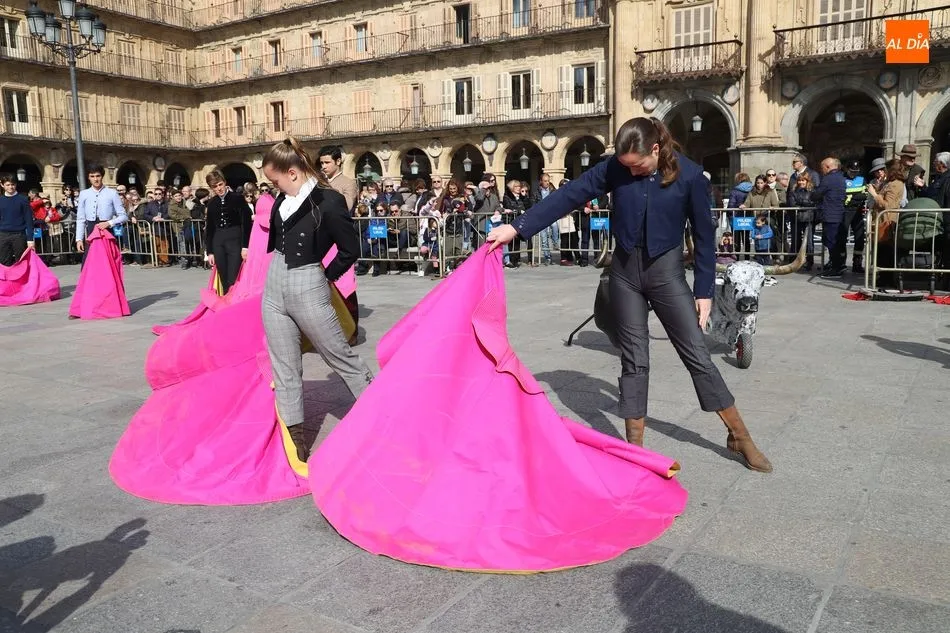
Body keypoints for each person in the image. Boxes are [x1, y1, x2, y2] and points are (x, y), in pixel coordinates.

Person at [487, 116, 772, 473]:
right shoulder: (614, 169)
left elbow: (703, 235)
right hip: (624, 274)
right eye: (626, 167)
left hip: (666, 273)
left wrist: (703, 290)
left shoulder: (690, 176)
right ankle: (635, 449)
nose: (631, 172)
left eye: (637, 166)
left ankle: (739, 436)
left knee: (697, 355)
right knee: (634, 360)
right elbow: (569, 195)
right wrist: (518, 227)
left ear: (655, 149)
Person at [261, 137, 374, 462]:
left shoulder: (329, 201)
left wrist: (324, 277)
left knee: (340, 355)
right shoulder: (283, 199)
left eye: (276, 179)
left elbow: (351, 249)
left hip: (309, 280)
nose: (274, 186)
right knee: (283, 366)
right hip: (274, 284)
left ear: (293, 172)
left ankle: (381, 415)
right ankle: (296, 444)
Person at [204, 170, 252, 294]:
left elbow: (246, 223)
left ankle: (235, 304)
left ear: (224, 182)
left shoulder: (238, 198)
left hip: (235, 239)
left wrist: (245, 246)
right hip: (218, 241)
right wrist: (209, 252)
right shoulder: (212, 203)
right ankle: (227, 305)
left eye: (220, 184)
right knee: (224, 277)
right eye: (215, 186)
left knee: (233, 277)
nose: (218, 188)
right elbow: (210, 228)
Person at [75, 164, 128, 261]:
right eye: (92, 176)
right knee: (89, 263)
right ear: (88, 178)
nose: (95, 179)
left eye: (98, 176)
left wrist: (109, 223)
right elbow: (80, 219)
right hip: (91, 231)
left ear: (102, 176)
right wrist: (79, 239)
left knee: (108, 263)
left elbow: (124, 216)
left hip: (107, 231)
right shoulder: (84, 194)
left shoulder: (112, 193)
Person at [0, 173, 35, 266]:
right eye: (8, 185)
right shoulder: (0, 200)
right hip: (3, 235)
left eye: (13, 184)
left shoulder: (23, 200)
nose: (11, 187)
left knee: (21, 262)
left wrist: (30, 240)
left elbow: (29, 221)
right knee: (3, 262)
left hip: (19, 235)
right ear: (2, 185)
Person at [319, 145, 358, 211]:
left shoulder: (349, 183)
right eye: (322, 163)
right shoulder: (319, 182)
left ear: (338, 161)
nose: (323, 166)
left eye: (327, 162)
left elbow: (347, 206)